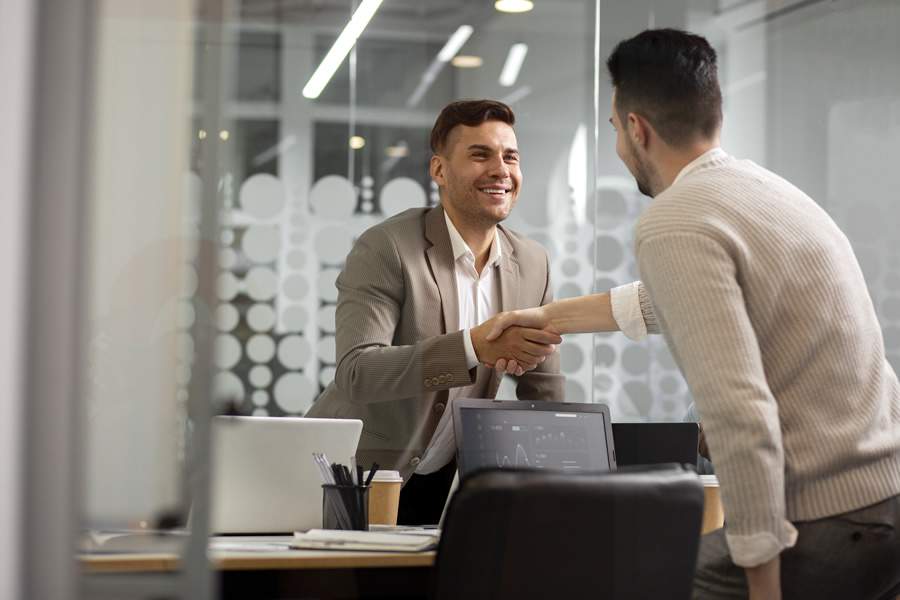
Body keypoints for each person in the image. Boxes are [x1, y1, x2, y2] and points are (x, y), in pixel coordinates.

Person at [483, 30, 900, 599]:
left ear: (637, 130)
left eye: (613, 130)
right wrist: (545, 318)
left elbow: (738, 411)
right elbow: (668, 300)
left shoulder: (676, 219)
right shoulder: (763, 192)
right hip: (884, 501)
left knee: (610, 578)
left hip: (827, 522)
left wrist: (762, 580)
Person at [307, 99, 655, 524]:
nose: (501, 170)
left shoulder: (531, 261)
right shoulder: (388, 247)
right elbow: (358, 371)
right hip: (353, 475)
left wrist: (561, 489)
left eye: (511, 156)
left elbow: (542, 388)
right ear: (439, 171)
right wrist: (474, 346)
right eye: (480, 155)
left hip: (439, 476)